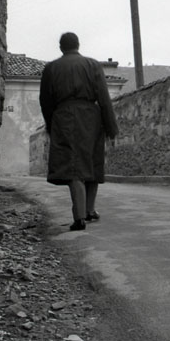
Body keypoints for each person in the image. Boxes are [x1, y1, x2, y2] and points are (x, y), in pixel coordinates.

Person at [39, 32, 119, 231]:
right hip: (92, 118)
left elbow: (45, 102)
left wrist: (50, 125)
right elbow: (104, 98)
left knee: (73, 166)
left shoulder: (51, 68)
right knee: (92, 162)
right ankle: (89, 210)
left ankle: (79, 217)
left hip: (64, 117)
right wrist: (111, 128)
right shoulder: (93, 65)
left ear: (61, 47)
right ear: (78, 45)